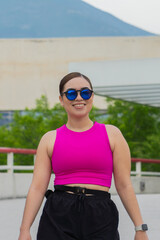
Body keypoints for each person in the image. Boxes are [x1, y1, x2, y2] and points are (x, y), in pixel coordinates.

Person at [18, 72, 149, 240]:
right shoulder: (49, 139)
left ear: (92, 97)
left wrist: (140, 228)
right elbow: (37, 188)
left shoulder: (112, 134)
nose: (79, 98)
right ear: (61, 99)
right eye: (71, 93)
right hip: (58, 215)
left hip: (100, 215)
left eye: (85, 92)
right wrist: (24, 230)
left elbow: (124, 184)